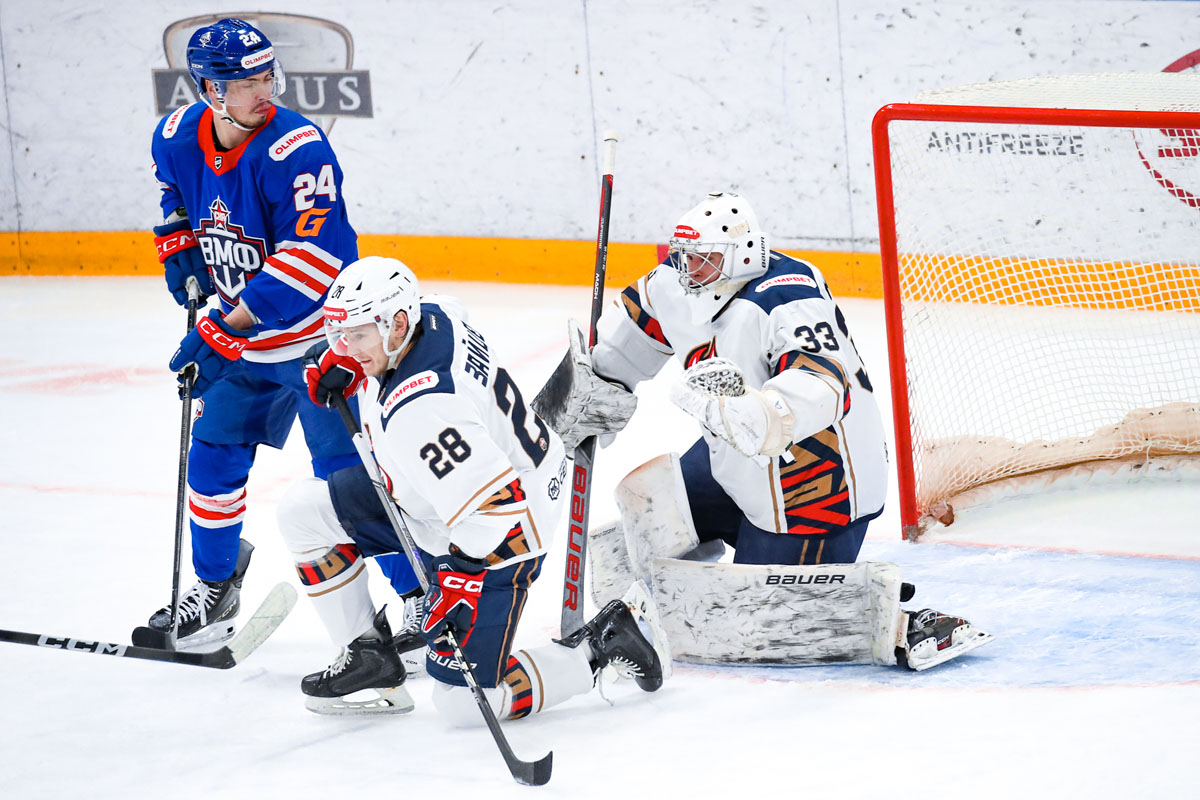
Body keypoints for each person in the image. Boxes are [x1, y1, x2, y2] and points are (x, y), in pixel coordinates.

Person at [532, 191, 992, 671]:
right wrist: (585, 391)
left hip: (815, 481)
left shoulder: (788, 296)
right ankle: (637, 615)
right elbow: (624, 345)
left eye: (705, 259)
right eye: (685, 256)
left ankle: (897, 622)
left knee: (752, 622)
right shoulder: (677, 282)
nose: (690, 269)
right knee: (646, 503)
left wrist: (756, 415)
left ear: (743, 254)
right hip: (736, 457)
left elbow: (823, 385)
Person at [278, 255, 668, 717]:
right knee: (303, 511)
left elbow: (497, 506)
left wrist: (458, 578)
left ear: (397, 324)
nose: (346, 347)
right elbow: (448, 304)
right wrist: (345, 354)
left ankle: (600, 645)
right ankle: (369, 657)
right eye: (340, 334)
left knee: (461, 704)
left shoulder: (422, 409)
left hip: (504, 533)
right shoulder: (434, 316)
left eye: (358, 335)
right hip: (445, 494)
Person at [145, 18, 418, 649]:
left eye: (268, 75)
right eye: (247, 82)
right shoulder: (175, 136)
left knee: (351, 476)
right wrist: (177, 241)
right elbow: (173, 194)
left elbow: (313, 260)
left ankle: (418, 596)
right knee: (211, 462)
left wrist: (224, 328)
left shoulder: (297, 148)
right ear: (211, 90)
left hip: (320, 342)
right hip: (244, 345)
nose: (264, 90)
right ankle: (216, 587)